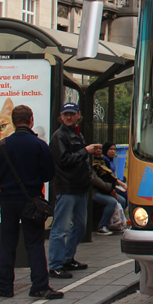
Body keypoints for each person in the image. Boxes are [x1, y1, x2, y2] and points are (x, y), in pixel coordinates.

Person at [0, 105, 64, 300]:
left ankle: (4, 286)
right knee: (35, 243)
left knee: (7, 242)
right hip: (32, 200)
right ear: (31, 120)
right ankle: (39, 286)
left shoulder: (3, 145)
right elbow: (49, 174)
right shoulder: (39, 145)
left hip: (8, 201)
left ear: (13, 122)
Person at [48, 102, 102, 278]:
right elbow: (63, 160)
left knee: (80, 226)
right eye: (66, 115)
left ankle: (67, 258)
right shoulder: (59, 136)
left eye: (72, 114)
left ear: (78, 115)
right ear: (61, 117)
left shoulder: (76, 134)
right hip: (67, 187)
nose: (69, 117)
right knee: (61, 227)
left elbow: (77, 157)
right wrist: (85, 151)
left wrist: (89, 153)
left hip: (80, 187)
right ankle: (56, 264)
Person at [92, 141, 126, 234]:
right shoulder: (92, 163)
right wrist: (110, 189)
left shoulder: (102, 161)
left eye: (100, 149)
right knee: (112, 202)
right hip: (95, 191)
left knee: (122, 200)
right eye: (96, 149)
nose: (99, 151)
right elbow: (96, 180)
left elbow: (110, 176)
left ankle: (116, 223)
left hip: (106, 189)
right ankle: (101, 226)